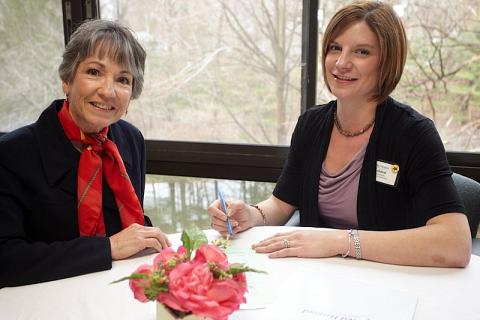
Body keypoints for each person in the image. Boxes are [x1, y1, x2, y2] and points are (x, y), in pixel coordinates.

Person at [208, 1, 472, 268]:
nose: (342, 62)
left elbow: (455, 244)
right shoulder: (311, 124)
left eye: (362, 52)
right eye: (335, 48)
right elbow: (281, 203)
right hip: (318, 280)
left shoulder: (413, 133)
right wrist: (251, 215)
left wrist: (339, 242)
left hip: (390, 282)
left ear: (387, 62)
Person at [0, 19, 171, 288]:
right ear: (67, 80)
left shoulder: (130, 139)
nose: (108, 90)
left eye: (123, 79)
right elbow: (5, 261)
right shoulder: (11, 154)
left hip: (118, 291)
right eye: (94, 71)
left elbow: (124, 222)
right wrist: (107, 248)